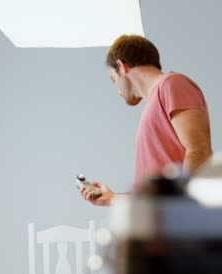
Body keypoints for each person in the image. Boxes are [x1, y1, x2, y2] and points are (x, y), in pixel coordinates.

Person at [79, 34, 212, 206]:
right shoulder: (152, 105)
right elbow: (152, 195)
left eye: (114, 80)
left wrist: (181, 213)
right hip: (157, 223)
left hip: (175, 224)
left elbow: (199, 150)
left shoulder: (172, 84)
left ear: (122, 66)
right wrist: (111, 198)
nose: (119, 91)